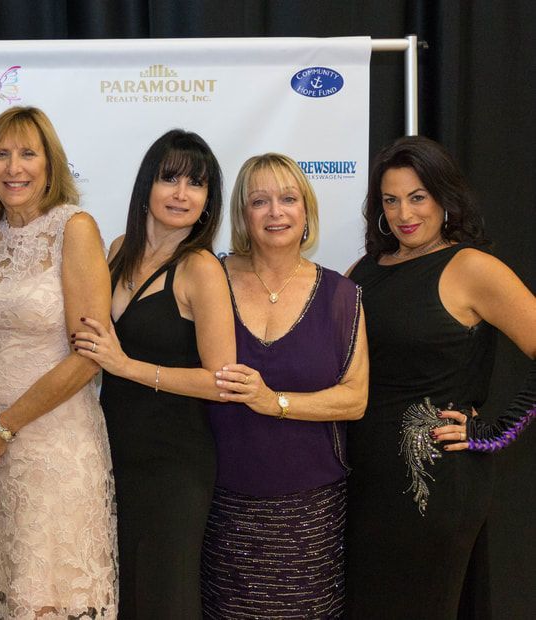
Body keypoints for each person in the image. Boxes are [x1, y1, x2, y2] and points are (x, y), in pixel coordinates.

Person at [345, 136, 536, 617]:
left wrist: (494, 431)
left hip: (432, 484)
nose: (403, 213)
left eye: (418, 197)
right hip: (359, 480)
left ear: (444, 197)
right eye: (390, 200)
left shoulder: (472, 268)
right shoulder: (364, 270)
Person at [0, 106, 117, 619]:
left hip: (53, 443)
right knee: (6, 592)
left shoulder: (74, 228)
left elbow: (90, 356)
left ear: (50, 165)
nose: (14, 167)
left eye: (28, 153)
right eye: (1, 154)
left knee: (47, 598)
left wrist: (6, 425)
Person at [71, 129, 234, 619]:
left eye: (196, 184)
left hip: (174, 463)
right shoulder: (119, 248)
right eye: (170, 179)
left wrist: (126, 366)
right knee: (119, 598)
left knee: (166, 598)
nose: (182, 194)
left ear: (208, 201)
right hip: (111, 451)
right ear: (147, 185)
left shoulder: (200, 268)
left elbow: (221, 381)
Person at [200, 153, 368, 618]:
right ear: (242, 215)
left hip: (310, 511)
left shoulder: (341, 295)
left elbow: (355, 399)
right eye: (260, 201)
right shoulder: (209, 278)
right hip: (220, 504)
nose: (275, 212)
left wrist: (273, 401)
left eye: (288, 199)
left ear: (306, 210)